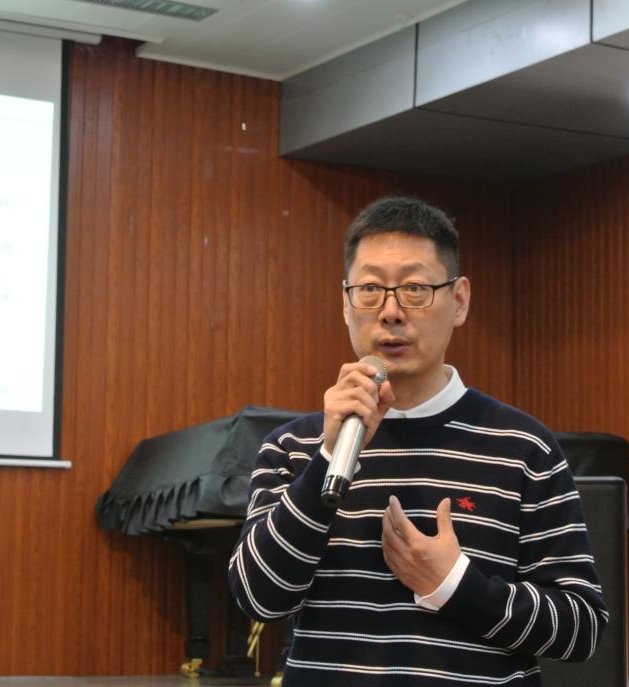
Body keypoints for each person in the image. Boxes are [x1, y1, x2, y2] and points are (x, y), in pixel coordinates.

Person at [228, 196, 608, 686]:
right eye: (369, 289)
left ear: (460, 301)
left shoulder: (523, 446)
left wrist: (455, 585)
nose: (390, 312)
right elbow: (258, 598)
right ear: (345, 303)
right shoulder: (293, 447)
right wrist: (326, 460)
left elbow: (581, 629)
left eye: (415, 289)